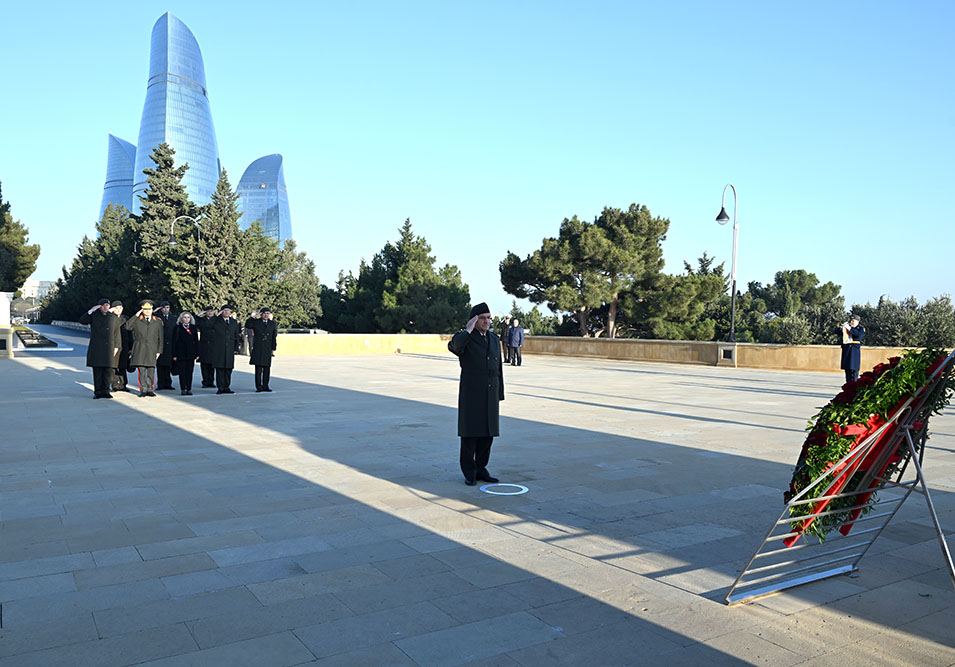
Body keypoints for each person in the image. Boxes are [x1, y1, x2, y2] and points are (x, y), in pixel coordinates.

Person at [448, 302, 505, 486]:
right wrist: (468, 330)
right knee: (470, 434)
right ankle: (469, 472)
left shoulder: (494, 339)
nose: (487, 321)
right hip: (472, 393)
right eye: (483, 318)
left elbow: (499, 369)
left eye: (489, 318)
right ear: (474, 320)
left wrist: (499, 393)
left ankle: (482, 468)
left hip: (490, 392)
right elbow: (455, 347)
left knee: (487, 435)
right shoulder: (465, 338)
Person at [79, 298, 121, 399]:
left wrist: (117, 346)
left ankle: (106, 391)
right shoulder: (94, 315)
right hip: (97, 346)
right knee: (97, 371)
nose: (105, 307)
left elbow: (117, 333)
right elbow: (82, 321)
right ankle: (98, 391)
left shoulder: (113, 317)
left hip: (109, 347)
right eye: (103, 305)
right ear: (99, 306)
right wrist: (91, 310)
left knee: (107, 371)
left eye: (107, 305)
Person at [124, 299, 164, 397]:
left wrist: (159, 351)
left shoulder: (157, 321)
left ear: (152, 310)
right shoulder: (137, 320)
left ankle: (150, 389)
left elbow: (160, 337)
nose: (147, 311)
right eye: (145, 309)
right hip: (140, 349)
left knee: (151, 370)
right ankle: (143, 390)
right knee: (141, 371)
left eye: (149, 309)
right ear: (142, 310)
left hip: (152, 349)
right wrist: (136, 315)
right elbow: (127, 327)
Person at [211, 305, 241, 394]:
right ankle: (220, 388)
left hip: (230, 348)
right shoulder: (216, 321)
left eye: (228, 311)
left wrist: (236, 348)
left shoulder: (234, 322)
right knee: (220, 369)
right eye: (224, 311)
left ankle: (226, 387)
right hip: (219, 348)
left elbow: (236, 335)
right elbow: (208, 325)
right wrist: (216, 316)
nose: (227, 312)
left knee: (228, 369)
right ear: (221, 312)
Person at [249, 307, 278, 392]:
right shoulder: (256, 322)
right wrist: (254, 316)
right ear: (261, 314)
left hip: (267, 347)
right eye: (264, 313)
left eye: (268, 313)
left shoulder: (272, 323)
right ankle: (259, 386)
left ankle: (266, 385)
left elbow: (274, 336)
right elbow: (248, 325)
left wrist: (273, 348)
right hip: (258, 347)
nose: (266, 315)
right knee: (258, 368)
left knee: (267, 368)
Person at [172, 311, 200, 395]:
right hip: (181, 353)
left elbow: (196, 341)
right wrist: (174, 354)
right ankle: (183, 388)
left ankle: (189, 388)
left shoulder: (193, 328)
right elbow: (174, 342)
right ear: (181, 318)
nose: (186, 319)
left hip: (191, 353)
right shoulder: (177, 328)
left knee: (189, 372)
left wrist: (197, 353)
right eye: (185, 317)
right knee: (182, 372)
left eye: (188, 317)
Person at [109, 300, 132, 392]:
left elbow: (130, 333)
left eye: (120, 308)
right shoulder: (110, 318)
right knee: (113, 366)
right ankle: (114, 384)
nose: (119, 310)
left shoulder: (125, 319)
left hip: (124, 345)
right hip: (114, 345)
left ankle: (123, 384)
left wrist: (131, 347)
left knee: (123, 366)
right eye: (117, 308)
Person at [155, 300, 175, 390]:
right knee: (160, 366)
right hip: (160, 344)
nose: (166, 309)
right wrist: (155, 311)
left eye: (167, 307)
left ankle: (168, 383)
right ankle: (161, 384)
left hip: (170, 344)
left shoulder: (173, 318)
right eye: (164, 308)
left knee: (168, 365)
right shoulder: (157, 317)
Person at [841, 315, 866, 383]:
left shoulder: (860, 328)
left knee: (854, 372)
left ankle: (854, 387)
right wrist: (842, 327)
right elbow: (836, 332)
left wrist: (849, 328)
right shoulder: (847, 328)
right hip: (847, 351)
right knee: (847, 372)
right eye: (851, 321)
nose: (851, 322)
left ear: (858, 321)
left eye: (853, 321)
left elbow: (858, 334)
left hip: (854, 351)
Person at [197, 306, 216, 388]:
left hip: (213, 345)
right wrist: (198, 315)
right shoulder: (202, 320)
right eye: (208, 311)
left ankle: (211, 381)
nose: (210, 313)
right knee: (204, 365)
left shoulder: (216, 320)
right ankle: (205, 381)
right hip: (204, 344)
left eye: (211, 311)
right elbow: (195, 322)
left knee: (212, 366)